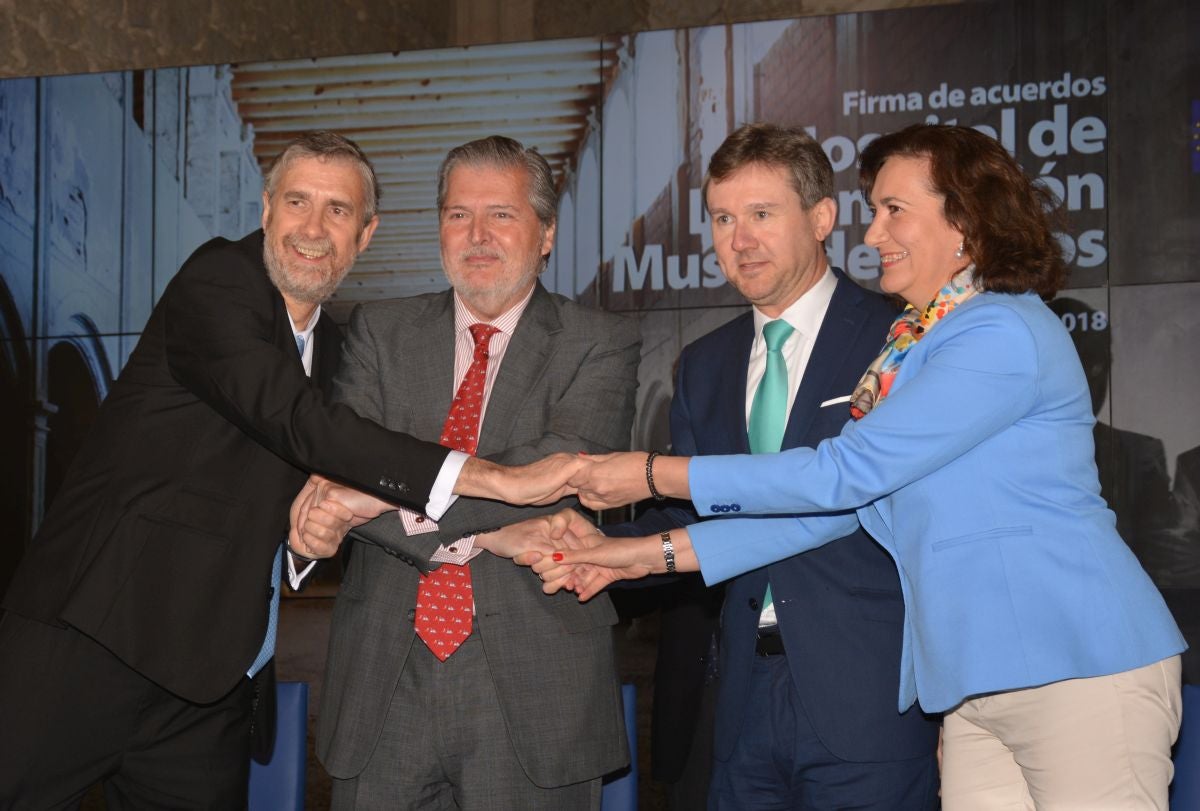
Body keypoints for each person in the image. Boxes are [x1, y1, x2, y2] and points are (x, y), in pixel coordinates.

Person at [530, 124, 1187, 810]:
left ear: (964, 217)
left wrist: (656, 472)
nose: (872, 235)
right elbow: (817, 519)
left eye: (893, 210)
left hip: (1076, 666)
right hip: (970, 686)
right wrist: (632, 555)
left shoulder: (1002, 331)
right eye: (874, 211)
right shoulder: (914, 348)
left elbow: (839, 473)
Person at [0, 131, 570, 809]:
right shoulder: (218, 279)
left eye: (338, 210)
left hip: (210, 679)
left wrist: (307, 537)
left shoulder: (339, 351)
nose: (313, 227)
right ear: (266, 210)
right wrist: (496, 478)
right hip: (90, 638)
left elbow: (326, 485)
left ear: (365, 235)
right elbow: (294, 419)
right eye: (297, 201)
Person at [597, 123, 939, 809]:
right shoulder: (702, 363)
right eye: (723, 218)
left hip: (868, 699)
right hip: (738, 703)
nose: (739, 239)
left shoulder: (898, 335)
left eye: (760, 214)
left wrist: (652, 475)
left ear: (821, 218)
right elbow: (691, 510)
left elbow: (850, 497)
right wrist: (597, 547)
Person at [298, 135, 639, 810]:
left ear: (546, 233)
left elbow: (565, 471)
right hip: (382, 684)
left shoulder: (598, 341)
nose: (477, 234)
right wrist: (496, 529)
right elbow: (344, 471)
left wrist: (389, 499)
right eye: (458, 215)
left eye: (501, 215)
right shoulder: (377, 331)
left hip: (537, 686)